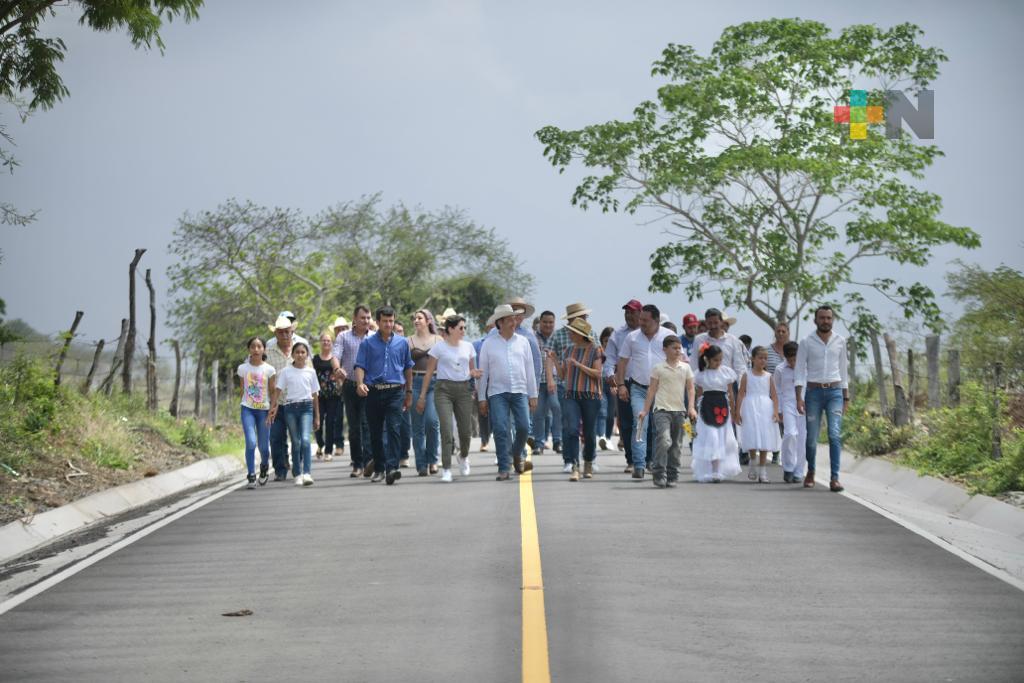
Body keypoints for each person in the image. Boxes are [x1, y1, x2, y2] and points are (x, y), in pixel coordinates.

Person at [354, 306, 414, 486]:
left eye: (391, 321)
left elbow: (408, 367)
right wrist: (359, 384)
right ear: (378, 322)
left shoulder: (403, 343)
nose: (389, 324)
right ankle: (379, 468)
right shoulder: (367, 343)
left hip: (395, 391)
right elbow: (360, 366)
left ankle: (392, 468)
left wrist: (409, 392)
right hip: (373, 391)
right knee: (376, 432)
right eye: (385, 321)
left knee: (394, 429)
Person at [477, 304, 538, 481]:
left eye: (514, 319)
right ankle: (504, 467)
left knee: (524, 426)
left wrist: (533, 394)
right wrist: (482, 398)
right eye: (510, 319)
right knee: (501, 429)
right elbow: (483, 373)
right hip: (497, 393)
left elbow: (529, 369)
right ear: (500, 323)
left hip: (520, 391)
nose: (514, 322)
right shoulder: (488, 344)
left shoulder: (523, 341)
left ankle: (516, 453)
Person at [417, 314, 480, 482]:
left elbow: (472, 370)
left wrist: (475, 374)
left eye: (464, 327)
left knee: (465, 431)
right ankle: (446, 469)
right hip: (443, 390)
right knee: (446, 430)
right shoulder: (439, 348)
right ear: (451, 329)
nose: (464, 331)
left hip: (464, 390)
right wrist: (422, 396)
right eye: (461, 328)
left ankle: (463, 456)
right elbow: (429, 373)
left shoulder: (468, 347)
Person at [615, 304, 675, 479]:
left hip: (663, 389)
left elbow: (678, 360)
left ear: (656, 320)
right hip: (639, 389)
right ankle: (639, 465)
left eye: (646, 320)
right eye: (640, 319)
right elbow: (623, 362)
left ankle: (656, 463)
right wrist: (621, 385)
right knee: (640, 423)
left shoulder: (668, 336)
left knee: (660, 428)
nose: (641, 323)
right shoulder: (632, 338)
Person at [795, 305, 850, 492]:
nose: (825, 321)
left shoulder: (840, 341)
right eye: (822, 318)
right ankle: (810, 470)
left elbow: (844, 370)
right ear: (815, 320)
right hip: (813, 393)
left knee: (835, 434)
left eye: (828, 318)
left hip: (835, 392)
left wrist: (846, 397)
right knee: (811, 438)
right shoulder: (806, 342)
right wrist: (799, 397)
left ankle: (835, 478)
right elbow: (800, 370)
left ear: (832, 320)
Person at [636, 335, 697, 488]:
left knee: (676, 445)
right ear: (665, 349)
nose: (678, 351)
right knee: (664, 440)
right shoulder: (658, 368)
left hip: (680, 412)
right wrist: (645, 410)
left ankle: (672, 475)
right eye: (674, 348)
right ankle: (658, 473)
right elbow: (651, 390)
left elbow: (690, 389)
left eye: (679, 348)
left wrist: (691, 407)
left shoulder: (685, 367)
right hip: (661, 410)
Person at [553, 317, 603, 481]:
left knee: (589, 433)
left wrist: (578, 365)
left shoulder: (596, 350)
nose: (569, 333)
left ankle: (588, 462)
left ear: (580, 334)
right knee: (572, 429)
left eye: (572, 331)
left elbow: (597, 373)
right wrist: (554, 360)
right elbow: (562, 375)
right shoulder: (568, 350)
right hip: (571, 395)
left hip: (590, 395)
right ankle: (575, 466)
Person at [269, 341, 320, 486]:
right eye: (297, 352)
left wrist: (317, 416)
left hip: (306, 407)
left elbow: (315, 395)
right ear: (292, 355)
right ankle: (297, 473)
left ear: (307, 355)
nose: (300, 355)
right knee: (296, 442)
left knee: (305, 439)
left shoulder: (311, 372)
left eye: (303, 352)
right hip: (290, 408)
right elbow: (278, 391)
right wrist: (273, 409)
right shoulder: (286, 371)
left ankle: (307, 473)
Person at [692, 344, 741, 483]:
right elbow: (699, 394)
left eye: (720, 359)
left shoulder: (726, 372)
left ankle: (717, 470)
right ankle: (710, 470)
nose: (718, 363)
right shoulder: (700, 374)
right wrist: (695, 410)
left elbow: (730, 392)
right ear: (707, 359)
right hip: (706, 407)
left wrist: (734, 410)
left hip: (722, 407)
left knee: (721, 438)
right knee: (711, 438)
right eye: (715, 360)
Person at [335, 305, 373, 478]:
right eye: (363, 318)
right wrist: (337, 370)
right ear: (355, 319)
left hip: (369, 386)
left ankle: (368, 463)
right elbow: (336, 356)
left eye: (368, 317)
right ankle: (357, 464)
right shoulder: (343, 337)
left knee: (367, 424)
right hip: (349, 385)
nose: (366, 321)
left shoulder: (374, 337)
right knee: (354, 427)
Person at [604, 299, 642, 470]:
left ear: (641, 314)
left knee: (642, 422)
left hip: (646, 384)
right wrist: (610, 375)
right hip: (624, 382)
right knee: (626, 423)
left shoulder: (649, 333)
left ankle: (645, 458)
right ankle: (632, 461)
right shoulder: (618, 335)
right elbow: (610, 359)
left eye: (633, 312)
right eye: (627, 312)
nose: (629, 315)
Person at [737, 346, 781, 483]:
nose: (763, 361)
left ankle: (762, 470)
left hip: (765, 408)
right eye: (760, 358)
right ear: (753, 359)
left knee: (764, 438)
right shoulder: (747, 375)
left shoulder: (769, 376)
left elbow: (774, 395)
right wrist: (737, 412)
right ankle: (753, 463)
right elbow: (740, 394)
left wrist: (775, 411)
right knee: (752, 436)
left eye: (765, 358)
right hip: (750, 407)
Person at [238, 337, 276, 489]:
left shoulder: (269, 370)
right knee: (251, 442)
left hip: (264, 411)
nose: (256, 349)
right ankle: (251, 474)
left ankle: (265, 467)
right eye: (253, 346)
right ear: (249, 349)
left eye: (259, 346)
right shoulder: (242, 369)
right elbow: (242, 389)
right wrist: (247, 402)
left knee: (264, 447)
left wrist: (272, 410)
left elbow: (273, 391)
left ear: (264, 350)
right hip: (247, 409)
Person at [408, 310, 442, 476]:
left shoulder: (439, 340)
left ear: (428, 321)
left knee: (432, 421)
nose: (416, 320)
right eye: (415, 318)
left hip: (435, 383)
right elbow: (405, 367)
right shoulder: (409, 341)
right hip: (415, 382)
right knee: (417, 426)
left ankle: (433, 460)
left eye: (419, 318)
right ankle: (421, 464)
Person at [265, 316, 295, 481]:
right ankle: (280, 470)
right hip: (275, 404)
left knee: (296, 438)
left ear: (292, 332)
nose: (284, 335)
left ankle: (298, 466)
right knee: (276, 437)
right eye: (281, 332)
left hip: (296, 402)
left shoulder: (299, 351)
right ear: (276, 333)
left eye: (287, 332)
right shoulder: (267, 353)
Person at [773, 341, 807, 484]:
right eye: (790, 360)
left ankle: (799, 471)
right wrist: (778, 409)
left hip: (805, 406)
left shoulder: (806, 367)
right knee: (790, 434)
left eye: (796, 359)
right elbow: (777, 390)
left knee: (802, 439)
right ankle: (788, 468)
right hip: (787, 405)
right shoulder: (780, 369)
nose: (794, 363)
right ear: (785, 357)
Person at [533, 310, 561, 455]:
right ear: (540, 322)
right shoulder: (532, 337)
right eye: (545, 322)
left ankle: (557, 441)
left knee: (557, 407)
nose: (548, 325)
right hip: (537, 382)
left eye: (551, 322)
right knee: (538, 413)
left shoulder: (558, 337)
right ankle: (539, 443)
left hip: (554, 381)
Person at [312, 331, 344, 462]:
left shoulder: (335, 359)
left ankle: (328, 450)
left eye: (328, 340)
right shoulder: (315, 359)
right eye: (324, 340)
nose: (326, 342)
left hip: (333, 395)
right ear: (320, 342)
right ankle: (320, 444)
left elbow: (342, 374)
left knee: (331, 422)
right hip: (318, 395)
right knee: (318, 421)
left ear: (332, 343)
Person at [597, 326, 616, 451]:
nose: (607, 343)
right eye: (605, 341)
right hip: (600, 383)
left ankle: (608, 438)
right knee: (602, 411)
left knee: (610, 414)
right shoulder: (598, 352)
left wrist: (616, 384)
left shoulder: (617, 353)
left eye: (610, 341)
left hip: (612, 384)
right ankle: (602, 436)